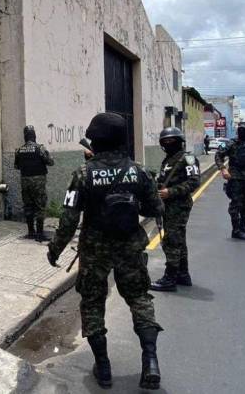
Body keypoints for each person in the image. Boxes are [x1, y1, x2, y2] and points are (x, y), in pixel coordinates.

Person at [46, 113, 164, 390]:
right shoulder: (139, 171)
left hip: (94, 252)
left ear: (95, 141)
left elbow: (68, 219)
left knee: (92, 303)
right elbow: (154, 208)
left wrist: (55, 249)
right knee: (139, 299)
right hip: (130, 248)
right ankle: (150, 360)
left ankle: (103, 366)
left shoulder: (83, 174)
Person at [150, 127, 201, 292]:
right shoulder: (168, 160)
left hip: (178, 206)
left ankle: (170, 278)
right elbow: (165, 180)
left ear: (179, 141)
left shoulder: (188, 158)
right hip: (168, 205)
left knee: (171, 241)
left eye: (171, 140)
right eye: (165, 141)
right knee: (179, 241)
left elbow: (194, 181)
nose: (168, 143)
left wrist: (170, 192)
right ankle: (183, 274)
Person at [14, 125, 55, 242]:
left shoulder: (19, 150)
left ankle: (31, 232)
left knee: (28, 206)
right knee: (40, 206)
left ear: (25, 136)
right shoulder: (40, 148)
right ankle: (40, 233)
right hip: (38, 182)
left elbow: (16, 166)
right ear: (34, 135)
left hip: (25, 181)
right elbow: (50, 162)